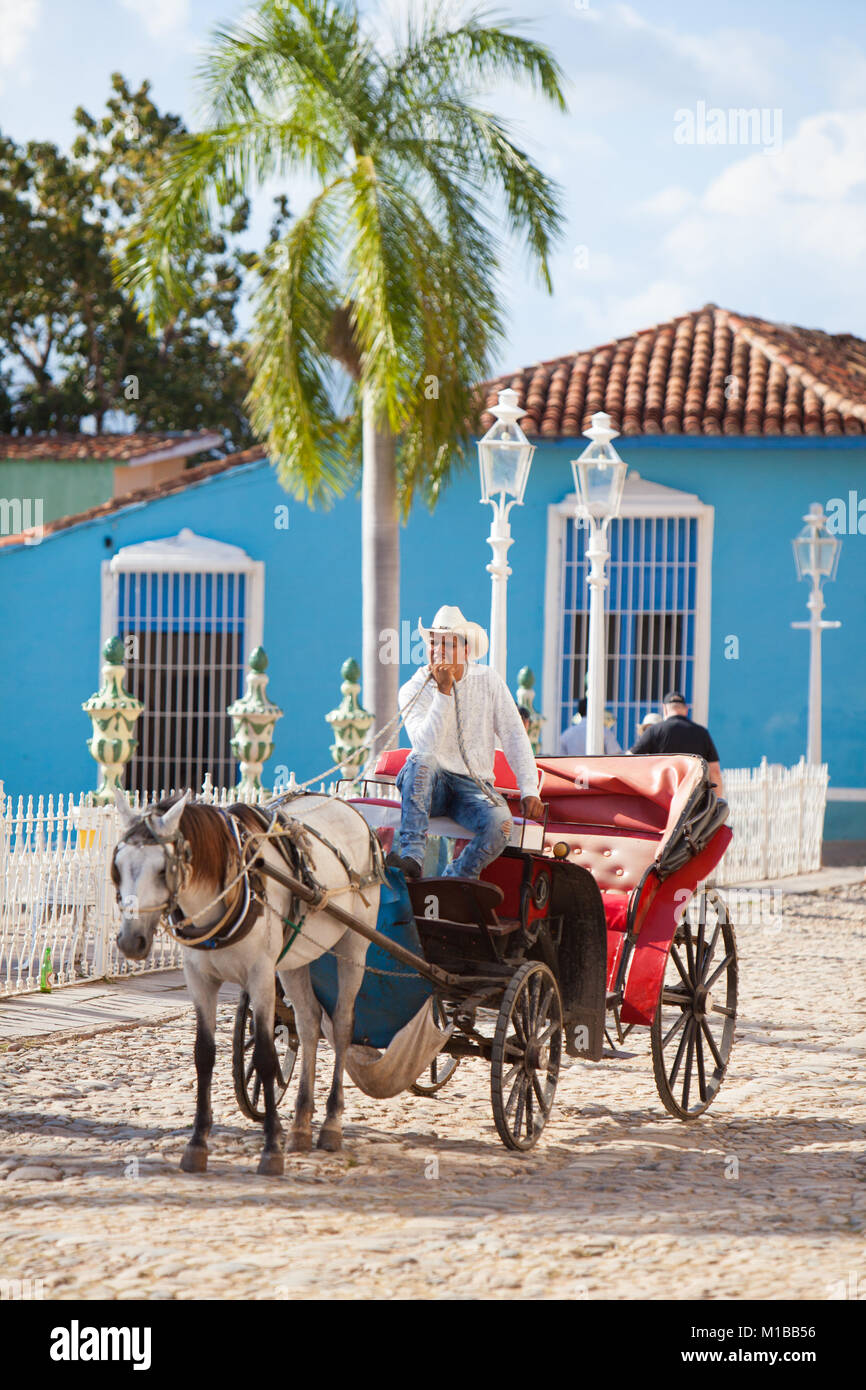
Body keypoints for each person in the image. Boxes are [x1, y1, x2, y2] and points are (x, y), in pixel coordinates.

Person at [388, 606, 545, 880]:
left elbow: (514, 734)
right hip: (430, 786)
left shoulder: (489, 681)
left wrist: (529, 788)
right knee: (421, 759)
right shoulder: (413, 688)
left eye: (447, 643)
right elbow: (425, 747)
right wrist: (443, 692)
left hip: (473, 789)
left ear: (466, 650)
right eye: (433, 642)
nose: (438, 650)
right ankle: (411, 855)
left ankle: (456, 880)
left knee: (501, 824)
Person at [629, 690, 724, 794]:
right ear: (686, 710)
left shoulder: (654, 730)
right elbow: (715, 771)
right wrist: (719, 801)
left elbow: (628, 759)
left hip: (662, 797)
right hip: (694, 797)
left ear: (665, 709)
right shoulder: (702, 733)